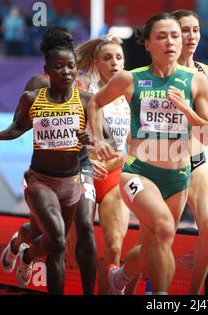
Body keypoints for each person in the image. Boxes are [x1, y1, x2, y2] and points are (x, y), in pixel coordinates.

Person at [87, 12, 208, 295]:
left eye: (175, 36)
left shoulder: (196, 82)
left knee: (158, 242)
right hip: (139, 173)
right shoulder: (130, 79)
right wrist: (97, 140)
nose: (170, 42)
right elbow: (94, 103)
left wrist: (187, 111)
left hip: (179, 176)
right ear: (147, 44)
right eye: (162, 36)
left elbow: (206, 135)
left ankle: (120, 278)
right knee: (165, 229)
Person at [0, 25, 93, 294]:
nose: (65, 71)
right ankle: (24, 244)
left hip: (77, 171)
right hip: (41, 177)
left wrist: (96, 140)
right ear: (47, 68)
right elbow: (18, 126)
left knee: (56, 241)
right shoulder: (34, 92)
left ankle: (26, 251)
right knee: (57, 239)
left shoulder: (85, 93)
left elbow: (105, 135)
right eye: (58, 66)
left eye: (70, 64)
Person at [74, 34, 131, 294]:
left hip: (114, 176)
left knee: (115, 247)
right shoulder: (85, 93)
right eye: (107, 58)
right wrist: (86, 159)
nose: (114, 63)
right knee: (72, 248)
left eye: (119, 57)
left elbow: (135, 145)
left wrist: (120, 159)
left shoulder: (133, 95)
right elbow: (69, 136)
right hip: (82, 173)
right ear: (96, 63)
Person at [171, 9, 208, 295]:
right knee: (161, 235)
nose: (191, 36)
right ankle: (128, 280)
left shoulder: (207, 72)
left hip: (198, 161)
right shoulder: (162, 73)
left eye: (195, 29)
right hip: (165, 162)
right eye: (184, 31)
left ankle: (194, 294)